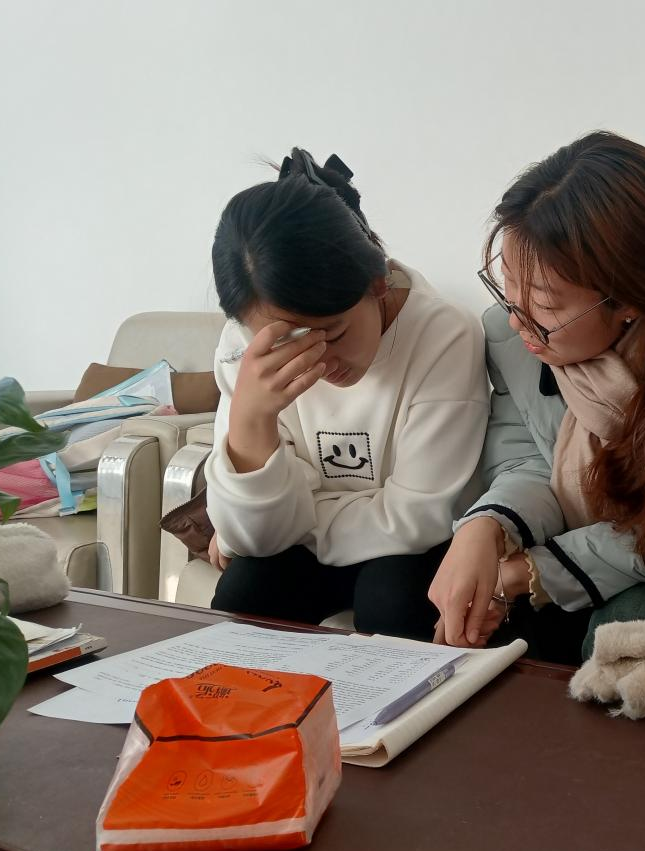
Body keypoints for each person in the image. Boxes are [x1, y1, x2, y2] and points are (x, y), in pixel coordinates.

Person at [428, 131, 645, 663]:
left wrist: (533, 572)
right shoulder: (511, 337)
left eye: (544, 303)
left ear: (627, 302)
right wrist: (488, 526)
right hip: (588, 544)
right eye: (507, 285)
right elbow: (529, 457)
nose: (516, 317)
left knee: (620, 630)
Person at [204, 148, 489, 639]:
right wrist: (251, 420)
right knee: (245, 590)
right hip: (335, 542)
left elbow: (417, 518)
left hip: (418, 551)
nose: (318, 363)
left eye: (332, 334)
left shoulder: (443, 335)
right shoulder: (245, 351)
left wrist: (290, 516)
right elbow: (252, 540)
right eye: (288, 345)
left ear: (377, 284)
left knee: (392, 596)